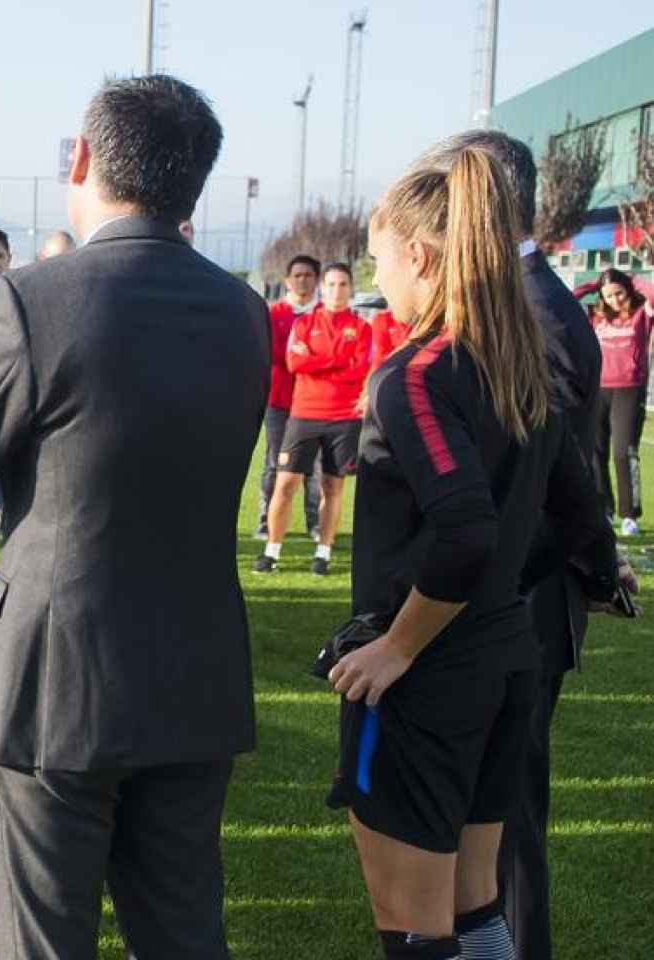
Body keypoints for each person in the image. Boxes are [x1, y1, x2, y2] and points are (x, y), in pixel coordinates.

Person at [0, 75, 261, 960]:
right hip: (195, 672)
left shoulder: (33, 300)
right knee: (186, 936)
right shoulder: (245, 310)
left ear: (81, 160)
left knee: (45, 943)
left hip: (58, 684)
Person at [326, 146, 619, 960]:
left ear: (419, 257)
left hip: (435, 681)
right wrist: (602, 570)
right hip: (505, 662)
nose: (379, 274)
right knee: (478, 913)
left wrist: (396, 646)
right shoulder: (515, 365)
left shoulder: (416, 375)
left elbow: (465, 528)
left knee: (419, 931)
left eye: (380, 258)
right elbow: (576, 496)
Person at [413, 128, 631, 960]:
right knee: (487, 823)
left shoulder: (534, 311)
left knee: (506, 831)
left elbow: (551, 484)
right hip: (516, 597)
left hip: (521, 606)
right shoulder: (520, 299)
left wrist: (503, 574)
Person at [256, 261, 370, 576]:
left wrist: (317, 361)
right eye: (331, 284)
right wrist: (338, 359)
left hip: (344, 417)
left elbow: (360, 369)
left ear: (351, 288)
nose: (337, 290)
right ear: (324, 287)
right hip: (304, 413)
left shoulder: (362, 328)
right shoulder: (305, 324)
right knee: (285, 482)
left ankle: (323, 553)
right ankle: (272, 551)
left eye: (343, 284)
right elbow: (294, 362)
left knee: (332, 486)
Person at [581, 267, 651, 536]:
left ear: (628, 290)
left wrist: (631, 280)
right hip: (599, 389)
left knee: (624, 452)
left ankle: (629, 514)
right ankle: (604, 510)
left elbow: (652, 294)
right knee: (596, 451)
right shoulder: (596, 316)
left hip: (630, 390)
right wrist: (595, 284)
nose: (615, 301)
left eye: (619, 293)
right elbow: (571, 296)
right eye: (608, 296)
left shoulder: (641, 313)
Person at [258, 255, 324, 540]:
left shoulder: (326, 315)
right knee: (275, 463)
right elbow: (274, 355)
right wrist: (307, 356)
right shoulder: (275, 315)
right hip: (280, 401)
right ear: (287, 280)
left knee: (316, 467)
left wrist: (305, 357)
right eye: (297, 275)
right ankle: (265, 523)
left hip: (316, 404)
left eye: (308, 275)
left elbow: (336, 356)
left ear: (317, 279)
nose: (302, 280)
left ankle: (315, 524)